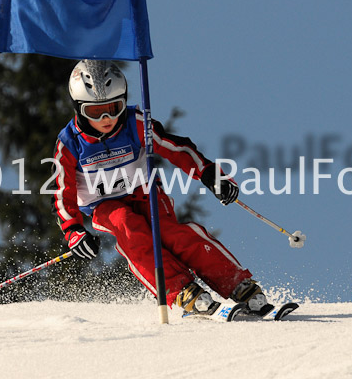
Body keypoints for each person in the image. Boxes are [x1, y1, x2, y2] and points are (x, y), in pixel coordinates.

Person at [51, 59, 272, 316]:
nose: (107, 118)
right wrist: (74, 230)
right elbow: (62, 193)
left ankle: (237, 283)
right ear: (79, 109)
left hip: (146, 193)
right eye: (95, 112)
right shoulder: (69, 144)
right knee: (128, 227)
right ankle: (181, 290)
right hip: (104, 205)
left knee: (171, 234)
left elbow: (177, 148)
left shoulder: (134, 123)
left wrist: (209, 174)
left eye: (114, 107)